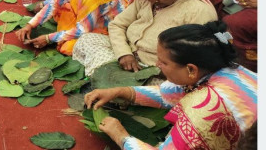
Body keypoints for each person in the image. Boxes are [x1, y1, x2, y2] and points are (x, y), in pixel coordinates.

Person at [84, 21, 257, 150]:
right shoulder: (229, 69)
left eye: (163, 62)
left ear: (191, 69)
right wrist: (120, 91)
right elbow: (168, 93)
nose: (157, 65)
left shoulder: (203, 108)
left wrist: (121, 136)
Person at [75, 0, 218, 76]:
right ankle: (116, 80)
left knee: (158, 85)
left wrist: (161, 67)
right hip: (126, 53)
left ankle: (119, 83)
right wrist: (124, 54)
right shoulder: (144, 0)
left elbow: (195, 52)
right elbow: (117, 25)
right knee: (87, 39)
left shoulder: (198, 10)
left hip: (157, 68)